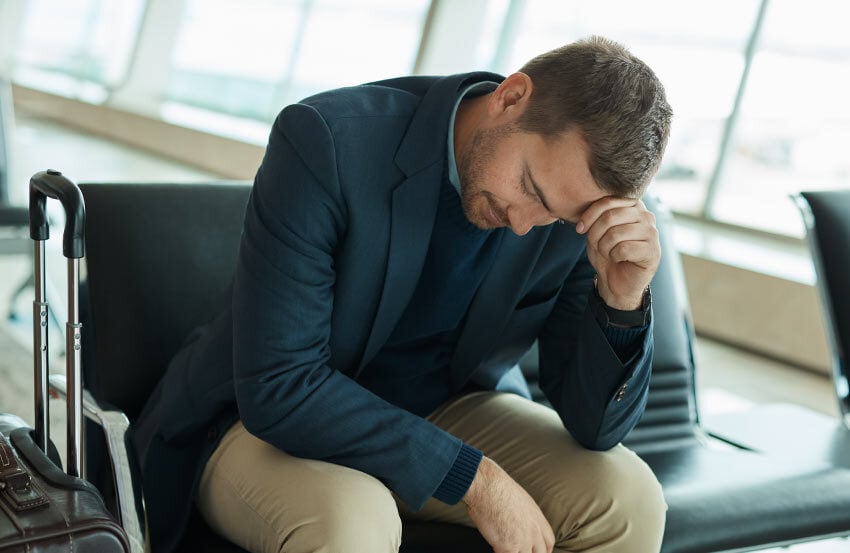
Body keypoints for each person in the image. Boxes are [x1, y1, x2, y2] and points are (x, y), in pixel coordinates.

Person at [131, 35, 673, 553]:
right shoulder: (327, 140)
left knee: (629, 499)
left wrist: (621, 299)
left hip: (443, 409)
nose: (525, 223)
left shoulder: (564, 214)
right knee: (353, 520)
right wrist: (472, 477)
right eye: (530, 186)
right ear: (511, 98)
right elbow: (281, 385)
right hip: (259, 424)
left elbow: (594, 427)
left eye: (555, 213)